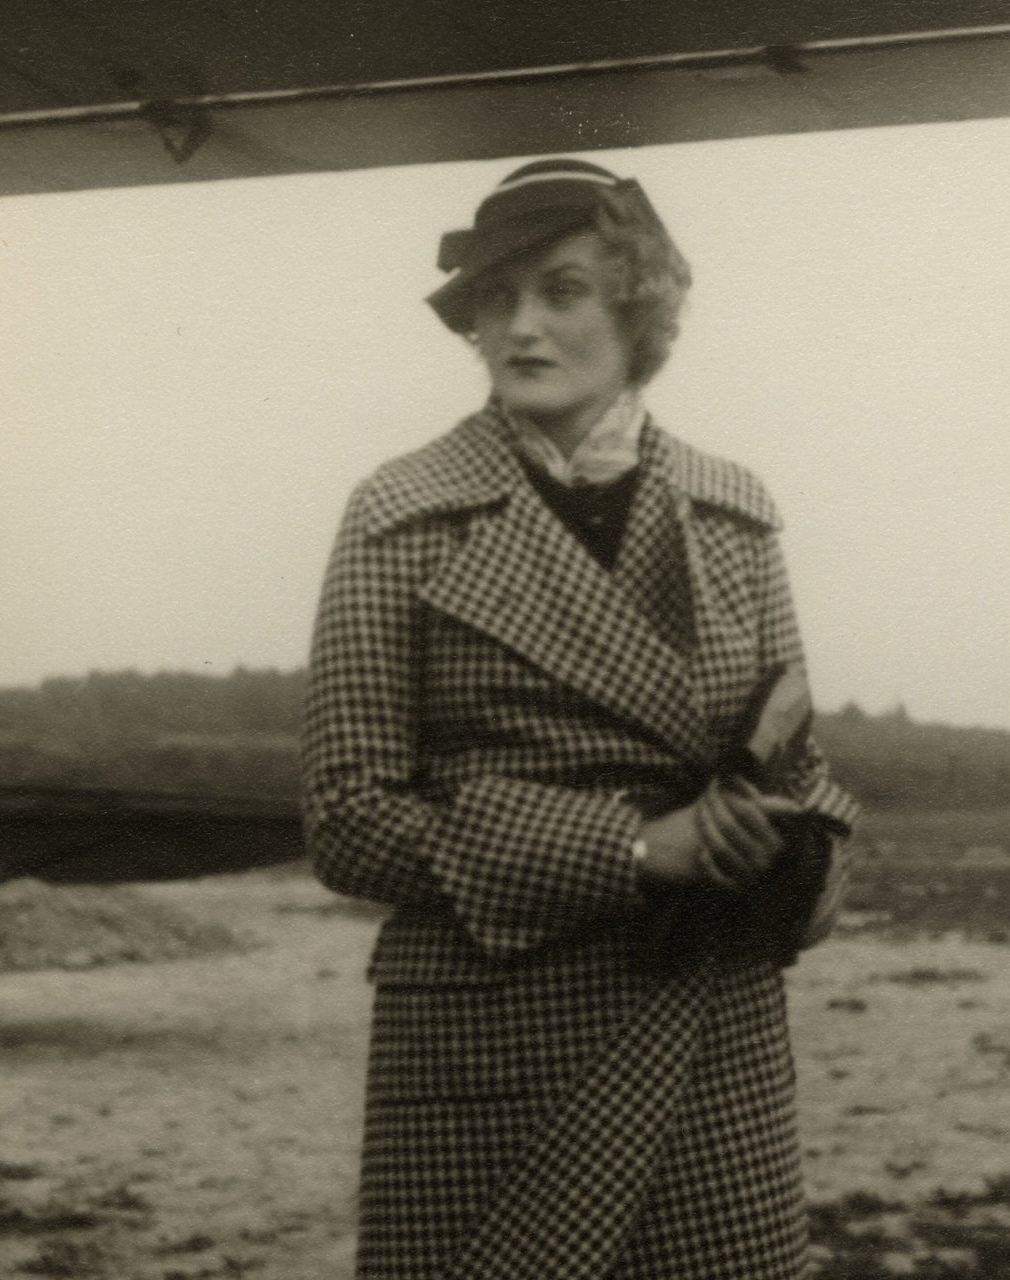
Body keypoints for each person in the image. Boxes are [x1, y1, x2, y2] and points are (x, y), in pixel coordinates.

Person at [300, 157, 859, 1280]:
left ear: (637, 311)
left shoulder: (735, 512)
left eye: (562, 292)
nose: (521, 328)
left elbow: (800, 763)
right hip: (495, 1045)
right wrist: (634, 848)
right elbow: (348, 819)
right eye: (496, 299)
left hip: (710, 1028)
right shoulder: (399, 513)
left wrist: (794, 848)